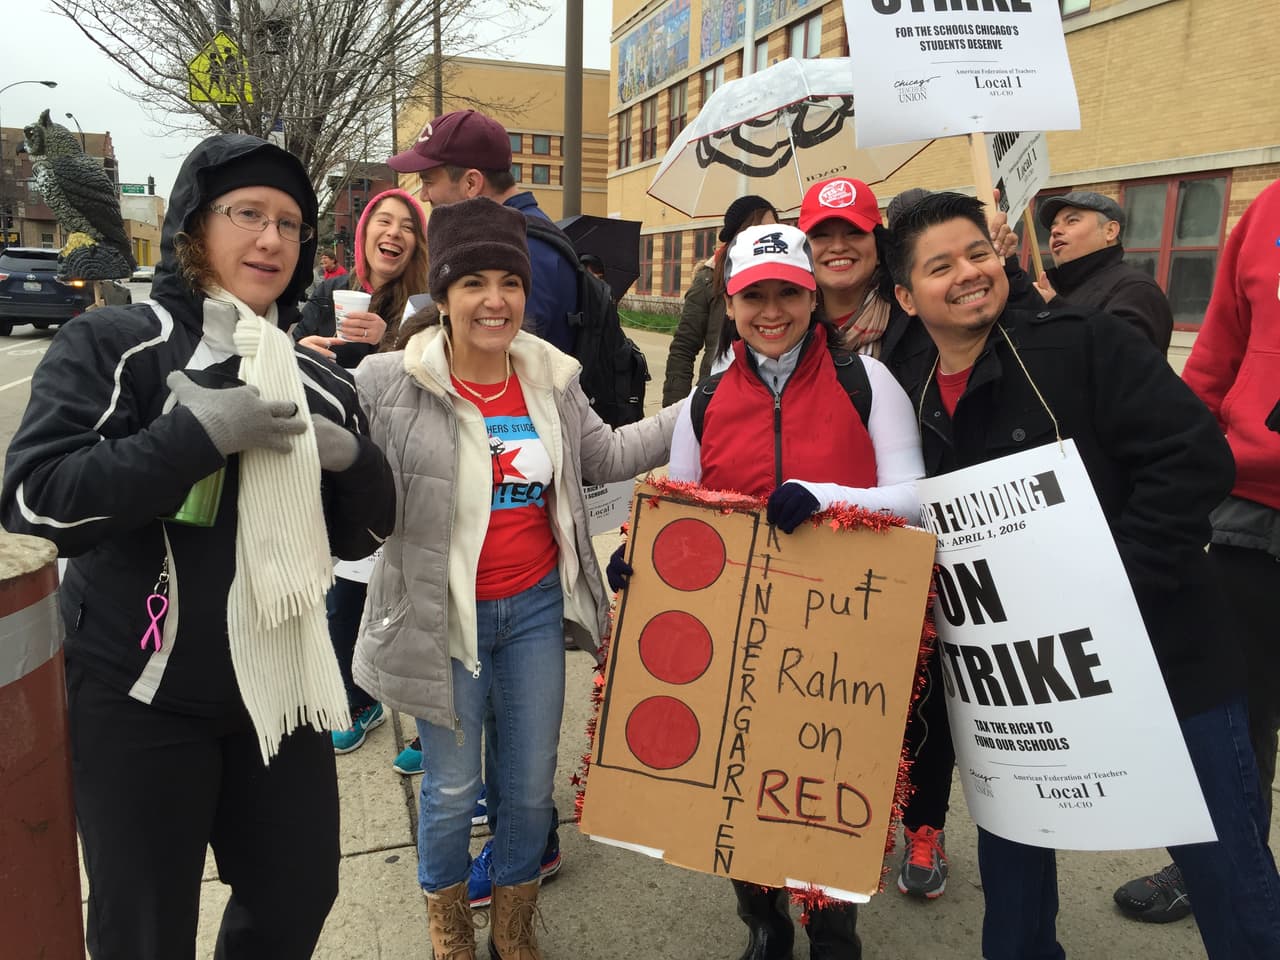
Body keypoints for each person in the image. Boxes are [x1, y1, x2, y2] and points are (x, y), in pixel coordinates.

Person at [0, 134, 396, 959]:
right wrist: (191, 438)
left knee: (296, 898)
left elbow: (364, 534)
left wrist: (356, 461)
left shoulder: (320, 379)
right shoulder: (119, 343)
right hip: (141, 696)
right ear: (193, 225)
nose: (271, 239)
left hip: (280, 691)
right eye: (248, 213)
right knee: (144, 931)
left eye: (289, 224)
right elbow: (35, 499)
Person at [886, 190, 1280, 960]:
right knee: (1013, 881)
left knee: (1229, 877)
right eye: (940, 266)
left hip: (1164, 663)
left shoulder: (1085, 342)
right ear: (906, 297)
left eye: (978, 253)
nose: (968, 273)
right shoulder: (911, 393)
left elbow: (1194, 457)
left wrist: (1117, 585)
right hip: (1016, 691)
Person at [351, 196, 681, 960]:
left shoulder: (548, 379)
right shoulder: (389, 383)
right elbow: (344, 483)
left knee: (530, 790)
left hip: (532, 609)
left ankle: (513, 928)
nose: (494, 300)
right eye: (474, 283)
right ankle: (449, 929)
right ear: (444, 294)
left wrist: (697, 410)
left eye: (509, 282)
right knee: (450, 789)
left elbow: (605, 456)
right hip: (444, 617)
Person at [654, 222, 924, 960]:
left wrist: (827, 497)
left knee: (830, 783)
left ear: (812, 298)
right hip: (738, 630)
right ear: (731, 304)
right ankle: (764, 923)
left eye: (787, 295)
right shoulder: (707, 398)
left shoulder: (866, 382)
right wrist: (648, 565)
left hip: (840, 630)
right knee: (740, 780)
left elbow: (913, 497)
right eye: (754, 297)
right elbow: (682, 506)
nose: (771, 312)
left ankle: (833, 933)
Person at [1114, 177, 1280, 924]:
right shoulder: (1267, 209)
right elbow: (1216, 353)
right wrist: (1191, 454)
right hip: (1251, 508)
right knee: (1235, 715)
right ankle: (1221, 867)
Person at [289, 188, 430, 754]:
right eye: (383, 221)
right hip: (343, 464)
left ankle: (429, 724)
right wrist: (300, 347)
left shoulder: (423, 304)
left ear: (416, 244)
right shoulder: (327, 293)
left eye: (407, 226)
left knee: (416, 595)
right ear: (365, 232)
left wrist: (388, 342)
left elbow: (430, 377)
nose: (393, 233)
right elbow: (287, 357)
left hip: (406, 465)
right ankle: (356, 697)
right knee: (344, 594)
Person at [389, 108, 578, 354]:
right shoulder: (527, 237)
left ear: (471, 183)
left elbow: (499, 360)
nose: (424, 195)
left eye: (428, 181)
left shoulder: (517, 250)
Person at [661, 194, 779, 405]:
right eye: (757, 231)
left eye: (773, 231)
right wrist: (677, 410)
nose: (767, 238)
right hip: (717, 397)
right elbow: (683, 349)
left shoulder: (788, 283)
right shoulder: (709, 281)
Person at [1034, 190, 1173, 354]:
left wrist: (1056, 308)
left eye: (1072, 221)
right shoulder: (1052, 287)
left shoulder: (1137, 289)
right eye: (1053, 226)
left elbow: (1125, 359)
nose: (1055, 231)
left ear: (1110, 231)